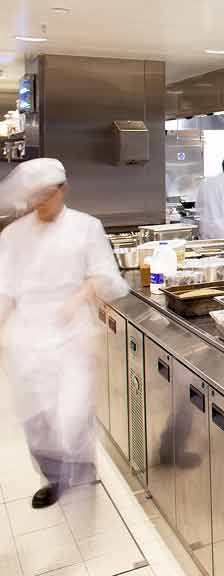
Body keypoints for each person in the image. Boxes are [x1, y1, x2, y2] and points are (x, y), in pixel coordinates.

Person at [0, 158, 128, 508]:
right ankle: (53, 478)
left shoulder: (86, 227)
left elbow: (103, 275)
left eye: (47, 194)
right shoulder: (13, 235)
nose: (41, 202)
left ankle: (82, 467)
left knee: (72, 413)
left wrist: (78, 299)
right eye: (35, 196)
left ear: (63, 190)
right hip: (27, 337)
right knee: (37, 417)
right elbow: (4, 289)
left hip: (72, 335)